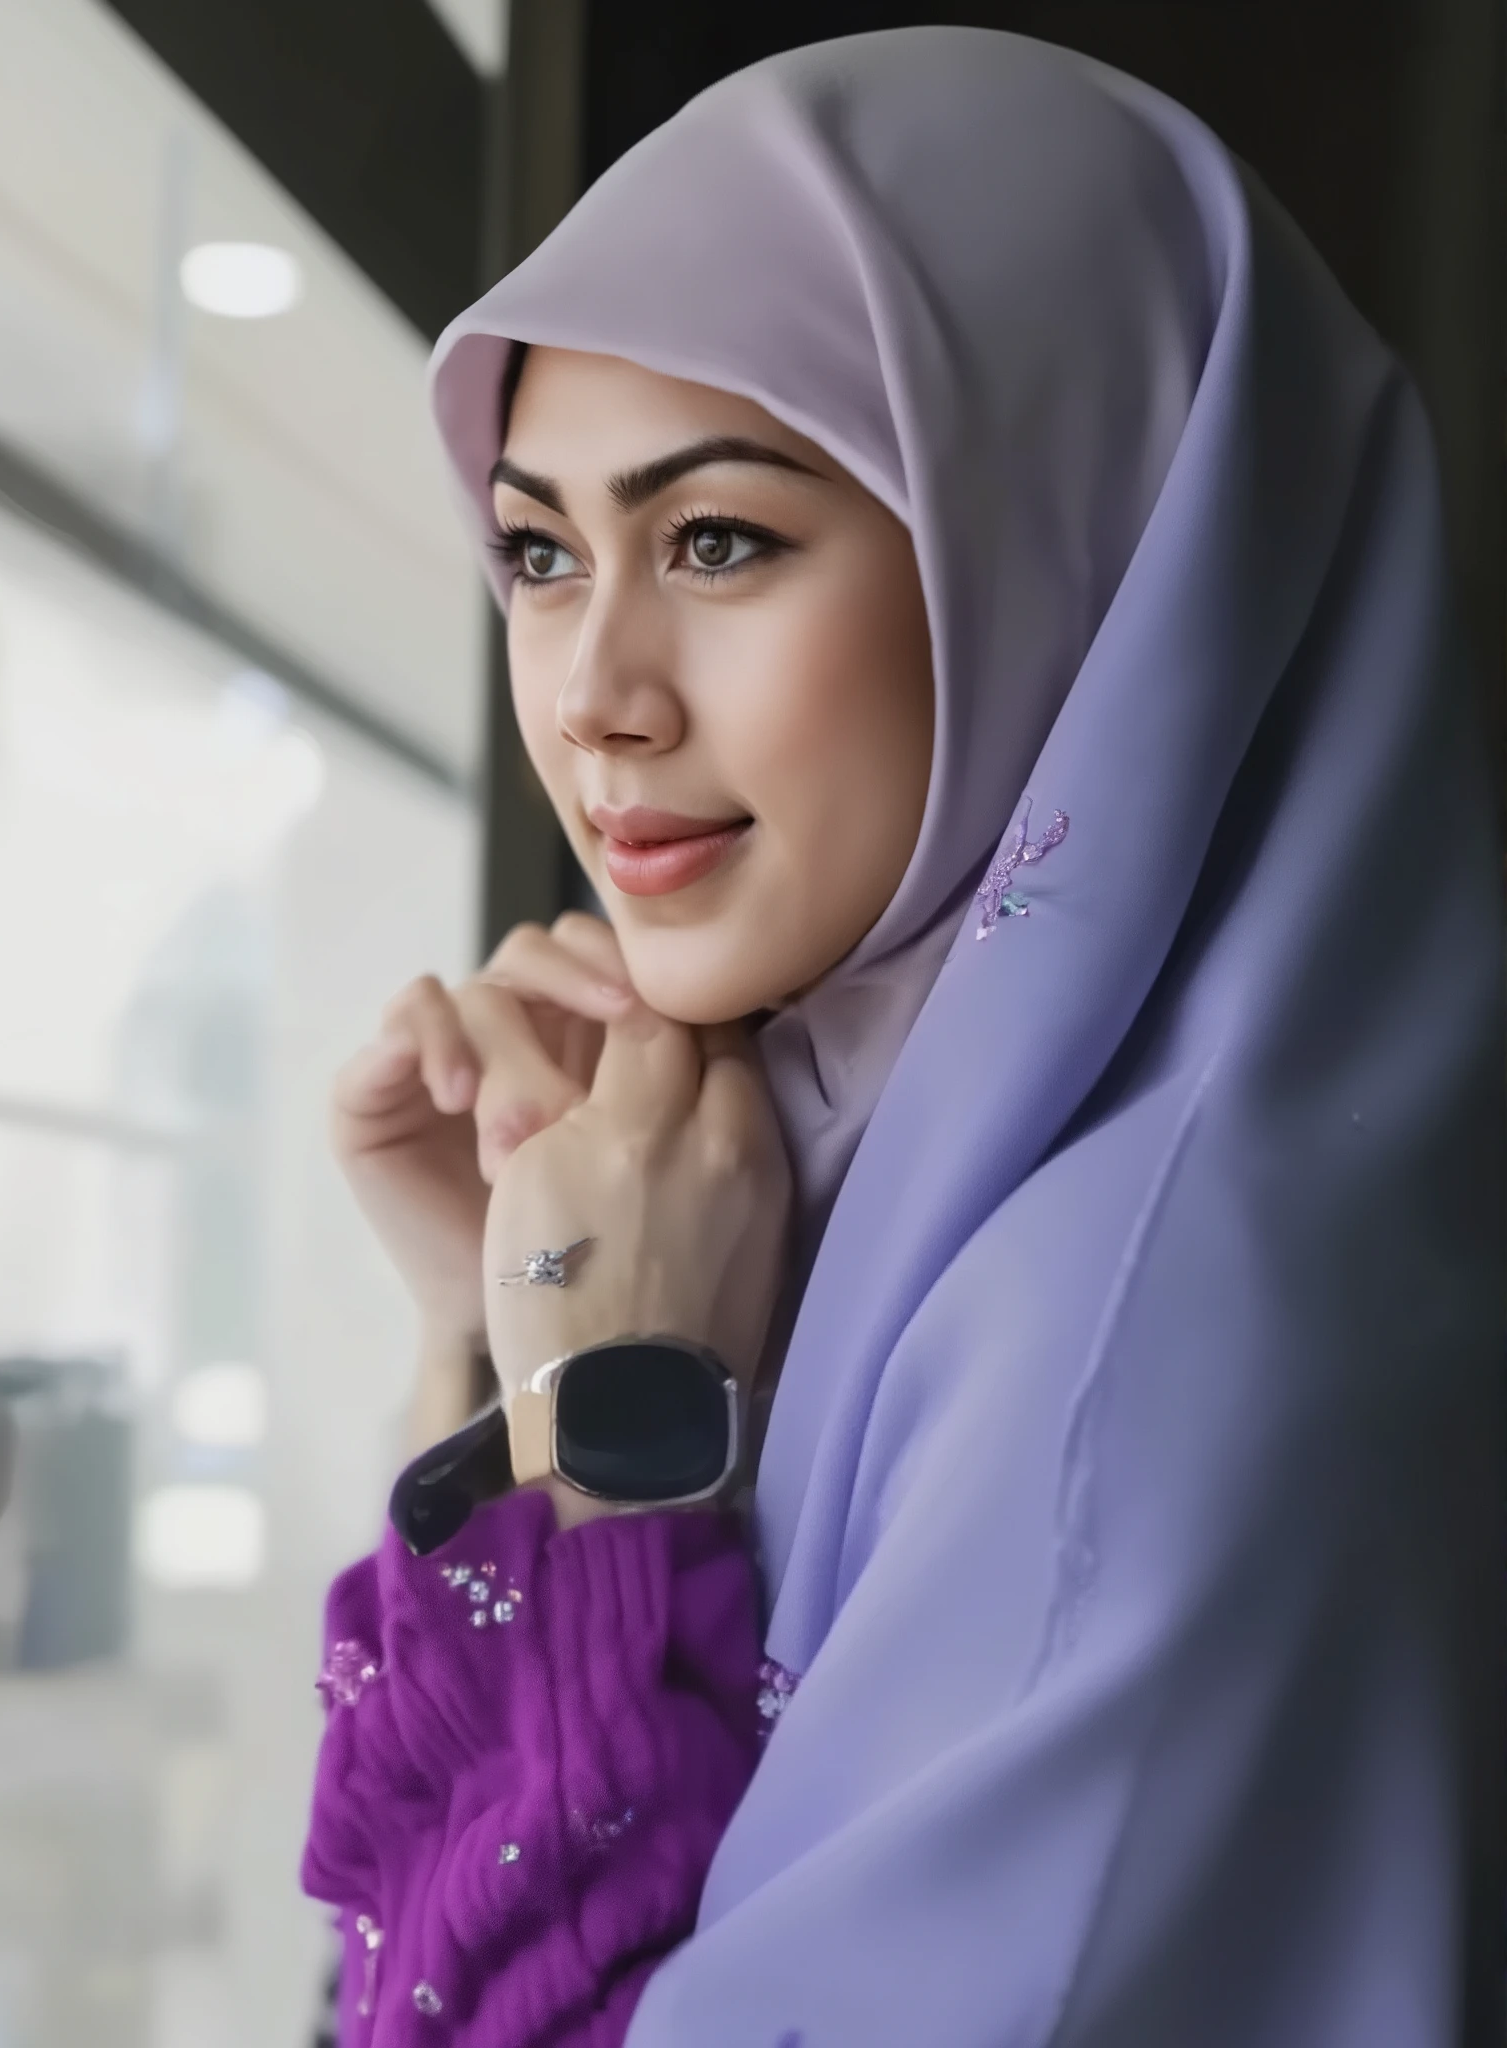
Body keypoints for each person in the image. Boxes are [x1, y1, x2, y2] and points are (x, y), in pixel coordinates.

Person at [303, 27, 1505, 2047]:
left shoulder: (1153, 1351)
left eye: (718, 539)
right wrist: (484, 1361)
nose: (592, 690)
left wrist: (613, 1443)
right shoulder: (866, 1183)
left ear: (1073, 555)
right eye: (535, 550)